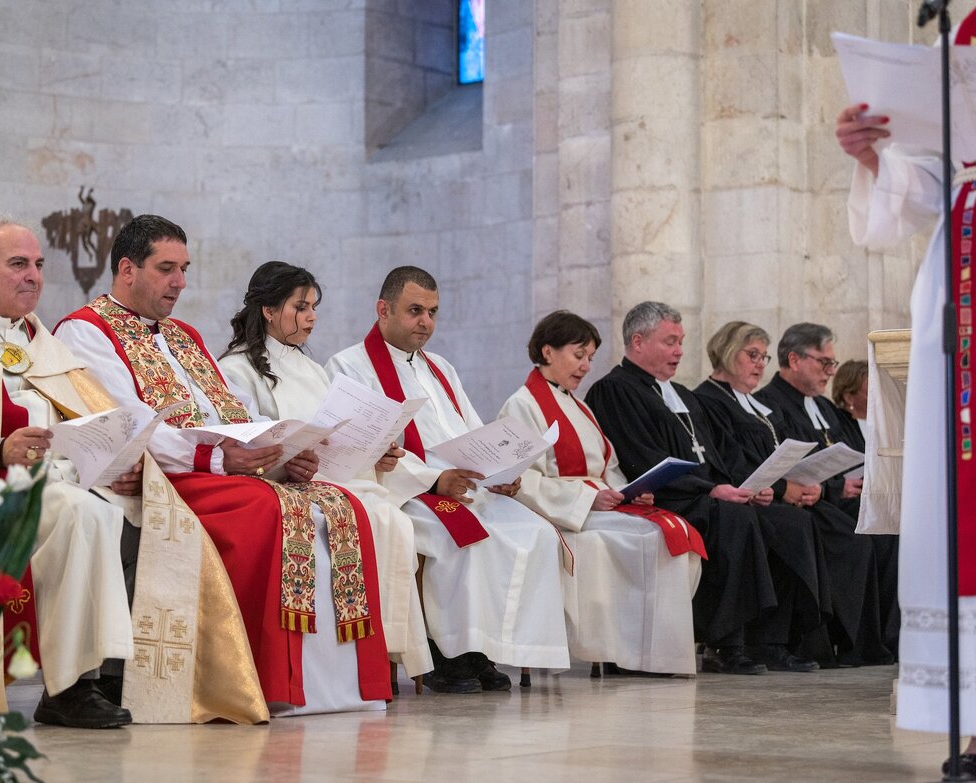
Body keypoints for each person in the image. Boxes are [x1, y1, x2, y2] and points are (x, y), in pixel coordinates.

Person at [55, 215, 390, 716]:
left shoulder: (184, 335)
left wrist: (280, 448)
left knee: (341, 505)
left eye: (184, 269)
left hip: (213, 469)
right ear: (127, 269)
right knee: (262, 509)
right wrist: (216, 456)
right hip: (163, 477)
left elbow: (229, 411)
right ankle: (261, 682)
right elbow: (132, 424)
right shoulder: (87, 332)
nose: (180, 282)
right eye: (167, 269)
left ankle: (336, 689)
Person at [836, 0, 976, 772]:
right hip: (972, 258)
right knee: (966, 484)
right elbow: (934, 178)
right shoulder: (974, 21)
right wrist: (877, 155)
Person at [0, 217, 137, 729]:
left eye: (38, 265)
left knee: (107, 509)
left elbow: (93, 418)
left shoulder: (43, 342)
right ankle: (71, 687)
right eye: (18, 264)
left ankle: (87, 681)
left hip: (55, 481)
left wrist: (118, 461)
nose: (33, 276)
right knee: (86, 514)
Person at [326, 266, 570, 692]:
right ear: (383, 310)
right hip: (403, 491)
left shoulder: (441, 368)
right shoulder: (349, 366)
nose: (426, 322)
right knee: (462, 537)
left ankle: (486, 650)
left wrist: (502, 472)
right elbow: (363, 449)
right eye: (415, 310)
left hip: (462, 487)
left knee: (534, 533)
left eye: (433, 312)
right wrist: (434, 480)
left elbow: (475, 433)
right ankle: (447, 654)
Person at [216, 261, 433, 683]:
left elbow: (337, 433)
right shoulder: (236, 368)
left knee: (392, 519)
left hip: (331, 478)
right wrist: (284, 462)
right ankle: (355, 658)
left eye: (314, 306)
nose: (312, 316)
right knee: (377, 517)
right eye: (301, 307)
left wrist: (376, 455)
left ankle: (378, 653)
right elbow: (246, 443)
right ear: (269, 310)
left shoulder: (314, 369)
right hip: (284, 486)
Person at [585, 301, 827, 674]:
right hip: (665, 497)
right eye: (670, 342)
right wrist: (711, 490)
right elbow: (640, 457)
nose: (680, 351)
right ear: (637, 341)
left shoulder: (681, 393)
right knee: (734, 520)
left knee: (787, 521)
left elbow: (717, 455)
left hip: (705, 493)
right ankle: (724, 642)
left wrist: (749, 487)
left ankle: (771, 639)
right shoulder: (614, 390)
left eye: (681, 341)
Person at [497, 310, 703, 675]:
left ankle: (649, 653)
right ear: (548, 352)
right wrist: (588, 499)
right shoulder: (523, 405)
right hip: (564, 515)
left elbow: (607, 468)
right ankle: (625, 654)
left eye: (591, 358)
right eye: (579, 355)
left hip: (597, 506)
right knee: (648, 540)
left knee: (674, 534)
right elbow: (520, 480)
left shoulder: (580, 406)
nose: (587, 366)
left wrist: (629, 492)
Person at [694, 322, 893, 667]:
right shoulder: (707, 400)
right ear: (727, 353)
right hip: (753, 498)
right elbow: (730, 461)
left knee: (856, 537)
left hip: (784, 495)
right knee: (801, 528)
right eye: (752, 355)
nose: (759, 364)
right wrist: (787, 488)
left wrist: (810, 486)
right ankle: (784, 642)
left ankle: (852, 642)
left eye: (763, 356)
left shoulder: (753, 404)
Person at [755, 323, 899, 656]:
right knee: (861, 539)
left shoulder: (822, 407)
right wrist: (834, 488)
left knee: (891, 529)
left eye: (832, 364)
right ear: (794, 359)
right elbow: (784, 465)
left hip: (833, 498)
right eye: (824, 363)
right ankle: (850, 642)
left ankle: (884, 639)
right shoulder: (770, 405)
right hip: (803, 502)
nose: (830, 372)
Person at [831, 359, 869, 452]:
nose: (877, 398)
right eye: (869, 393)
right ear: (849, 398)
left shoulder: (883, 420)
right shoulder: (838, 427)